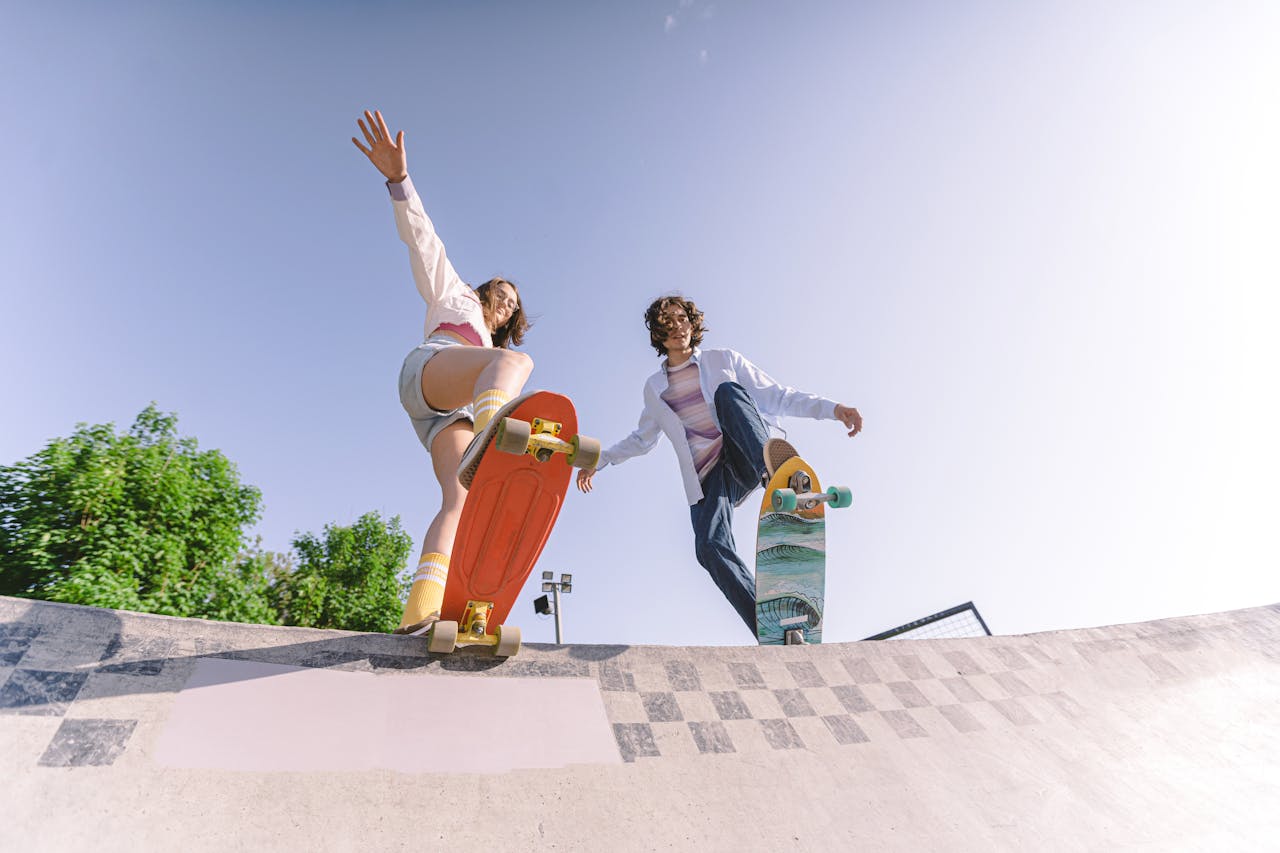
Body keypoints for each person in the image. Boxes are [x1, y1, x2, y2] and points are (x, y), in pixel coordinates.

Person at [576, 296, 862, 637]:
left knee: (728, 392)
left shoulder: (722, 359)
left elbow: (778, 395)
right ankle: (769, 626)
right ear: (658, 335)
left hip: (742, 453)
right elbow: (642, 439)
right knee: (708, 547)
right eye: (667, 323)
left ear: (692, 323)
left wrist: (833, 410)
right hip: (708, 479)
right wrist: (601, 460)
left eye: (681, 319)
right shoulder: (654, 388)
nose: (677, 327)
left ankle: (774, 472)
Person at [353, 109, 534, 635]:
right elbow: (423, 239)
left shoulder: (490, 351)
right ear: (483, 293)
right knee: (514, 364)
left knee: (460, 498)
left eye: (509, 306)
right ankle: (491, 442)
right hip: (429, 369)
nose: (501, 305)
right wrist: (398, 180)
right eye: (498, 295)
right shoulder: (452, 293)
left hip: (444, 416)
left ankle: (421, 610)